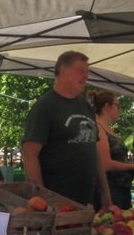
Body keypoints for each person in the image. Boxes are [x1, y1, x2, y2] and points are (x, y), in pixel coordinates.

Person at [21, 51, 110, 207]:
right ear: (63, 71)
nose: (85, 76)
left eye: (87, 71)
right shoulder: (45, 106)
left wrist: (105, 192)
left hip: (87, 201)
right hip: (57, 203)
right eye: (80, 70)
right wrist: (42, 199)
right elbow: (29, 155)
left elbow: (93, 151)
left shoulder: (85, 106)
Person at [89, 90, 134, 209]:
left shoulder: (107, 128)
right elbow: (105, 164)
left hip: (121, 188)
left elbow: (117, 159)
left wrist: (131, 164)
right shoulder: (99, 128)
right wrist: (131, 166)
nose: (119, 109)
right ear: (107, 106)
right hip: (110, 190)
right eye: (117, 106)